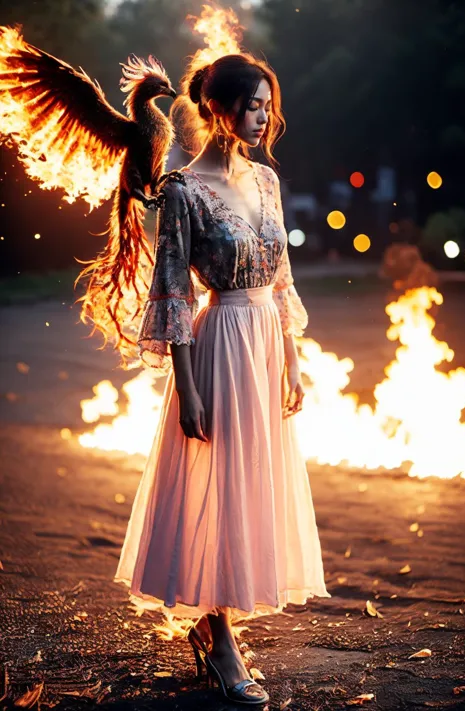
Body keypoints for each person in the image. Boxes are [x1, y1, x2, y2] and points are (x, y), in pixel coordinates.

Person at [114, 52, 331, 705]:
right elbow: (173, 294)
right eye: (250, 105)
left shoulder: (265, 181)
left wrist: (292, 355)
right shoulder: (183, 189)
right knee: (220, 485)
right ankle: (220, 634)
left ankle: (220, 628)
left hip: (266, 342)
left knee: (254, 485)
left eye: (268, 104)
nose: (262, 117)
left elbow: (282, 272)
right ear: (217, 108)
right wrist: (187, 386)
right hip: (221, 342)